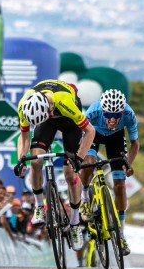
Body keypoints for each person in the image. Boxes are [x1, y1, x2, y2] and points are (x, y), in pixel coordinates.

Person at [13, 79, 96, 252]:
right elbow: (24, 136)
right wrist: (21, 158)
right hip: (47, 122)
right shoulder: (25, 105)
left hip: (69, 122)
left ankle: (74, 224)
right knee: (35, 161)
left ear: (49, 109)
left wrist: (79, 157)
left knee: (70, 174)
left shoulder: (64, 102)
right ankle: (39, 206)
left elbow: (90, 131)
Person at [79, 89, 139, 256]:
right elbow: (81, 133)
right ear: (103, 111)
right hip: (93, 134)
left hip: (116, 139)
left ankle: (120, 234)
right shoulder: (93, 111)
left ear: (122, 112)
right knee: (88, 164)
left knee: (120, 186)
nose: (112, 119)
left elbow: (135, 143)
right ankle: (85, 197)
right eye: (109, 115)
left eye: (116, 116)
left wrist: (128, 163)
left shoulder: (128, 114)